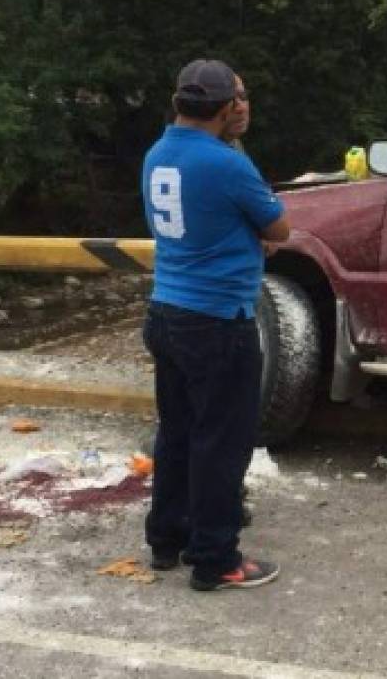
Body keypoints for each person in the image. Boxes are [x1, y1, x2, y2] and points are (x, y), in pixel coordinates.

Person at [141, 58, 290, 590]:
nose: (246, 106)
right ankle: (216, 559)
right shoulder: (227, 165)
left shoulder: (158, 154)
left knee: (177, 433)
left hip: (166, 311)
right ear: (225, 108)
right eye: (240, 99)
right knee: (222, 444)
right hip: (218, 320)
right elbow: (281, 227)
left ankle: (167, 538)